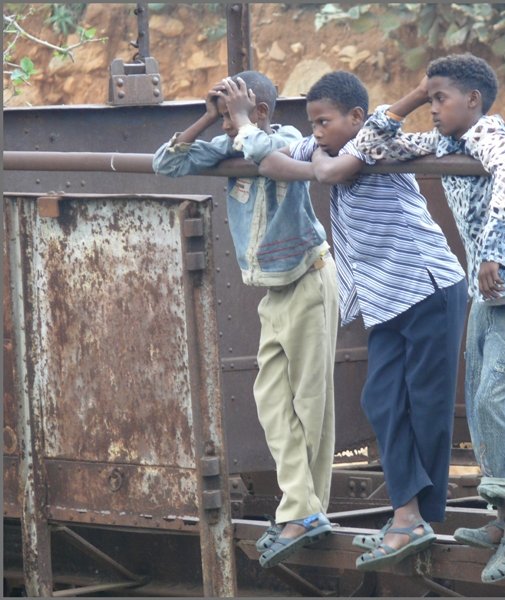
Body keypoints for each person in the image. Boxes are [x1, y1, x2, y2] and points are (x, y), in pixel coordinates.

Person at [258, 70, 468, 571]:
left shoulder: (377, 136)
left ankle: (411, 517)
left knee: (427, 405)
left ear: (355, 117)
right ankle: (408, 514)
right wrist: (309, 155)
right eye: (312, 124)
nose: (315, 132)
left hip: (428, 287)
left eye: (324, 122)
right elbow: (270, 161)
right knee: (381, 399)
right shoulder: (324, 149)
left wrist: (420, 91)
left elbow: (339, 166)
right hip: (384, 299)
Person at [356, 53, 505, 583]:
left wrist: (491, 251)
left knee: (494, 401)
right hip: (490, 297)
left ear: (474, 101)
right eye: (430, 98)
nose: (433, 108)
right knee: (486, 403)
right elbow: (370, 147)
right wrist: (415, 97)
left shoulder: (491, 134)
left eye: (441, 98)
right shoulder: (447, 143)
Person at [152, 71, 338, 569]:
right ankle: (304, 508)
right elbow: (166, 164)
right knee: (273, 401)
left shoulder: (287, 141)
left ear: (260, 111)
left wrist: (240, 120)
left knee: (311, 402)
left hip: (308, 280)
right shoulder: (229, 145)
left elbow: (269, 155)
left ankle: (304, 511)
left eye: (239, 104)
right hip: (273, 294)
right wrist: (210, 117)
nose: (229, 115)